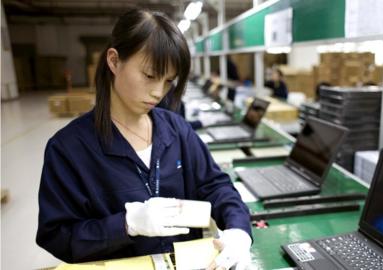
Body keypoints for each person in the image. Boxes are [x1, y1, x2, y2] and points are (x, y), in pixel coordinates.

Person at [36, 9, 252, 269]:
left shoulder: (177, 130)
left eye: (168, 80)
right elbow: (58, 236)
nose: (158, 92)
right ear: (114, 61)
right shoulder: (69, 149)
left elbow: (217, 187)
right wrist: (126, 224)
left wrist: (239, 231)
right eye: (149, 76)